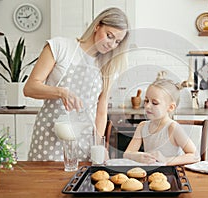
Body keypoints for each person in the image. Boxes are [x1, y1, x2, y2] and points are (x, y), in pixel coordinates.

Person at [23, 7, 130, 161]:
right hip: (49, 138)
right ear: (97, 26)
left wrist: (99, 145)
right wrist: (61, 92)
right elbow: (30, 88)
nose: (112, 45)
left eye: (117, 41)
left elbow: (101, 110)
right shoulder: (60, 47)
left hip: (84, 142)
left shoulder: (108, 66)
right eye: (109, 36)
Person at [123, 72, 200, 166]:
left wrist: (166, 160)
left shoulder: (173, 128)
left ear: (171, 107)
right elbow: (127, 154)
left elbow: (195, 156)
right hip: (150, 174)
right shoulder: (142, 126)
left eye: (154, 103)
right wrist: (138, 156)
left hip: (171, 175)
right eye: (146, 100)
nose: (147, 106)